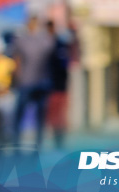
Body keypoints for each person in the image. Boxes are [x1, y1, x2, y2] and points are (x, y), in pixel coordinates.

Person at [11, 15, 54, 148]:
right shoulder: (21, 40)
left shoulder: (46, 39)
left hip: (42, 82)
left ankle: (39, 142)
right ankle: (16, 141)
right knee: (20, 113)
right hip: (25, 82)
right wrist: (18, 78)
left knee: (41, 114)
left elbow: (51, 59)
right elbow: (16, 59)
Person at [45, 20, 72, 149]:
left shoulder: (59, 45)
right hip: (47, 87)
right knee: (50, 117)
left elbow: (63, 67)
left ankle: (59, 142)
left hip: (58, 88)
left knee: (59, 117)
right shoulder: (45, 45)